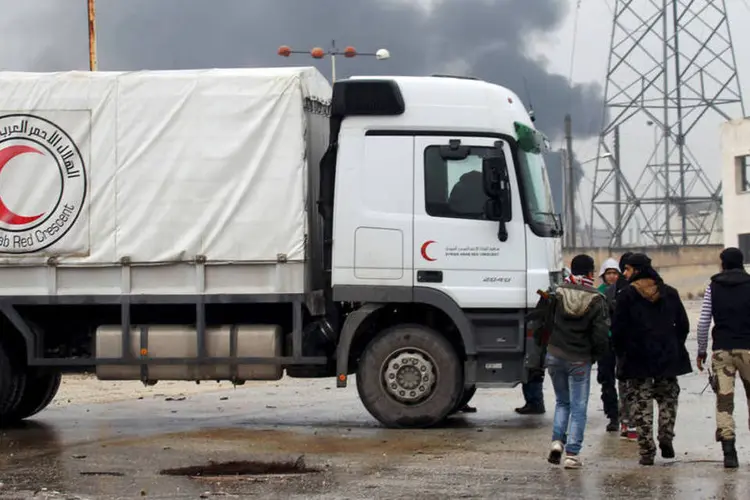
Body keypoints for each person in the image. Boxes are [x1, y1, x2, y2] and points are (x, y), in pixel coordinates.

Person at [612, 253, 691, 466]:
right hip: (666, 356)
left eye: (627, 269)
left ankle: (647, 451)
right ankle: (666, 435)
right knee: (668, 398)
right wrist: (674, 345)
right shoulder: (670, 293)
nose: (624, 274)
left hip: (637, 358)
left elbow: (617, 329)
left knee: (641, 402)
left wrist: (621, 353)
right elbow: (683, 325)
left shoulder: (626, 296)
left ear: (636, 270)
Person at [545, 254, 610, 469]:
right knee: (578, 406)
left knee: (562, 402)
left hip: (555, 354)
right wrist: (599, 357)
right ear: (591, 273)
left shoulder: (558, 292)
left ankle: (556, 442)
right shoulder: (596, 299)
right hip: (579, 359)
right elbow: (600, 334)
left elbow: (546, 323)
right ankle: (572, 454)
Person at [696, 247, 750, 469]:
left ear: (723, 263)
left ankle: (729, 453)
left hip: (722, 351)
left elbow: (703, 322)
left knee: (724, 403)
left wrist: (701, 350)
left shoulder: (713, 287)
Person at [596, 257, 621, 432]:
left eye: (614, 273)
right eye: (609, 273)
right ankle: (613, 415)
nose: (612, 276)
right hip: (605, 342)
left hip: (620, 341)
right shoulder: (598, 294)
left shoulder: (624, 292)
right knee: (607, 380)